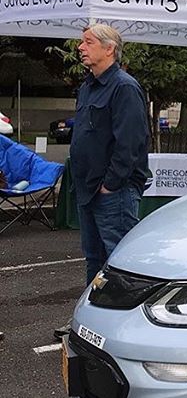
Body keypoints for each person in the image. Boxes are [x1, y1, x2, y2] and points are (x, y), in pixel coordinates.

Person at [54, 24, 149, 340]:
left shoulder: (124, 87)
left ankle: (126, 333)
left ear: (109, 49)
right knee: (94, 260)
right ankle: (89, 324)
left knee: (119, 263)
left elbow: (131, 143)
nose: (80, 47)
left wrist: (112, 183)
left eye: (88, 42)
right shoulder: (88, 86)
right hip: (88, 189)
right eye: (82, 42)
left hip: (112, 192)